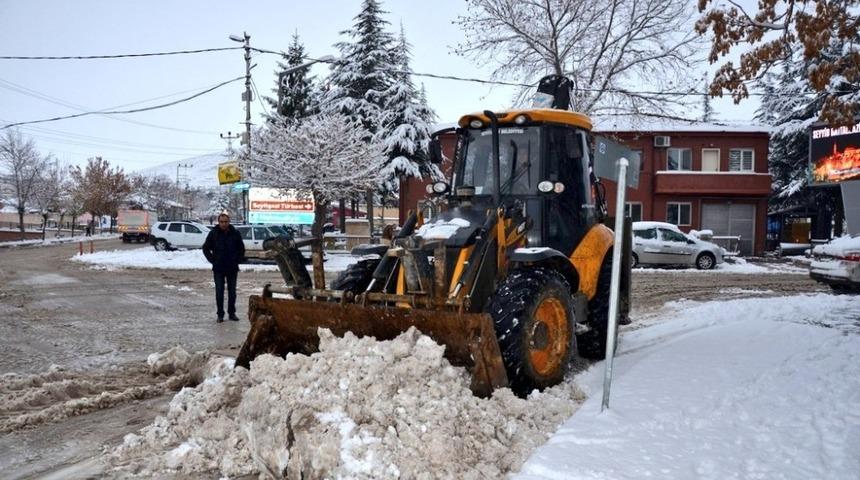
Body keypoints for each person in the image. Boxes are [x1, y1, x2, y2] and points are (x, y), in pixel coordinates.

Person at [202, 213, 245, 322]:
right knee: (219, 292)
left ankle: (232, 313)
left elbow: (241, 248)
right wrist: (213, 261)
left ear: (229, 222)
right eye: (221, 222)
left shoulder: (235, 233)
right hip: (219, 268)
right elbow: (205, 248)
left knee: (232, 292)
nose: (224, 224)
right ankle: (220, 314)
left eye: (226, 222)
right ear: (218, 222)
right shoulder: (214, 234)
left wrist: (237, 259)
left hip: (232, 268)